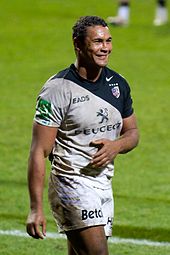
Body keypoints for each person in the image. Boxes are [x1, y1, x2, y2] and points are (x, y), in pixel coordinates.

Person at [26, 15, 139, 255]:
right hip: (71, 183)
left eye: (108, 40)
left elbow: (132, 132)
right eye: (98, 41)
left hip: (102, 184)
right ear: (78, 44)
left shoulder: (118, 85)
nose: (105, 47)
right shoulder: (56, 90)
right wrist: (36, 208)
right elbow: (39, 150)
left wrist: (116, 146)